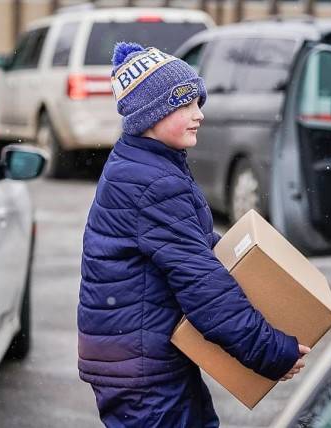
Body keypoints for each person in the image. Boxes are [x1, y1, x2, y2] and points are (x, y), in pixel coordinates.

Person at [78, 42, 310, 427]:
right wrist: (270, 351)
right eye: (184, 104)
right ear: (151, 113)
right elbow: (202, 285)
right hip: (144, 371)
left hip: (140, 357)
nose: (199, 114)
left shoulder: (144, 163)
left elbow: (192, 251)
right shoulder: (153, 182)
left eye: (197, 102)